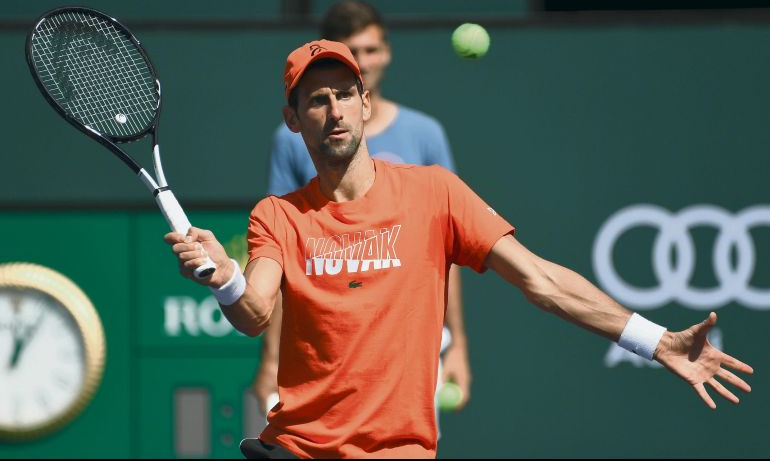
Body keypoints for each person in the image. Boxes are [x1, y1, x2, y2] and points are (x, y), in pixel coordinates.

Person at [165, 40, 753, 459]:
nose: (335, 110)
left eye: (345, 94)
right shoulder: (277, 215)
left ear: (366, 103)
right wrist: (225, 276)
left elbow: (540, 280)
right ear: (293, 119)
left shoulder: (434, 192)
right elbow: (254, 312)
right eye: (317, 100)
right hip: (298, 448)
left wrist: (657, 342)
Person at [255, 0, 472, 424]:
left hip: (408, 348)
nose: (366, 61)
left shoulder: (426, 134)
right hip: (326, 352)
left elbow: (449, 248)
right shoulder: (291, 140)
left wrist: (458, 343)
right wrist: (270, 359)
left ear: (386, 54)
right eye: (355, 51)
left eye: (372, 50)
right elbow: (279, 259)